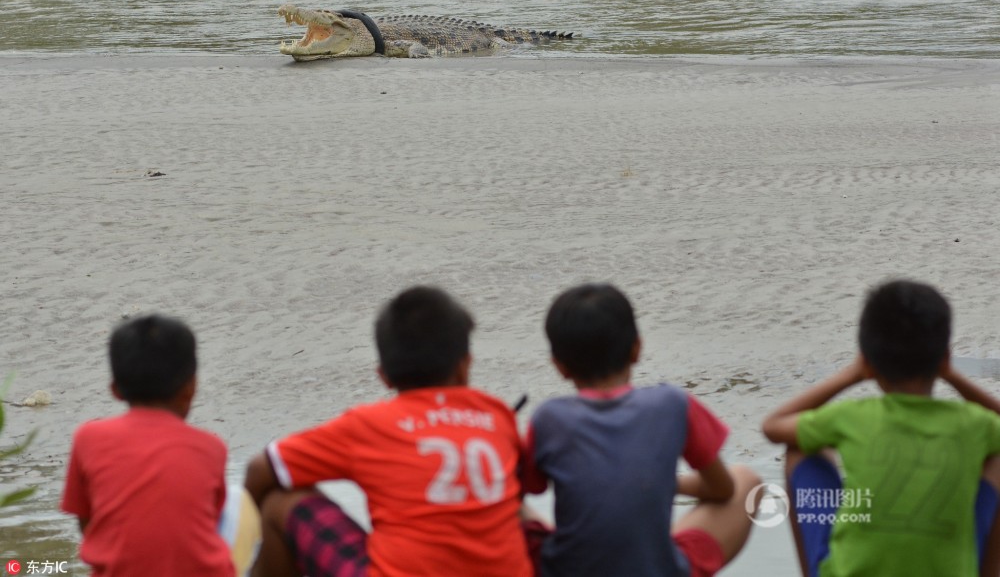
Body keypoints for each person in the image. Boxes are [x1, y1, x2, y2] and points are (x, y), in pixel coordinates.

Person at [244, 286, 533, 577]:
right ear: (465, 365)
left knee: (280, 502)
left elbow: (261, 469)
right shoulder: (495, 413)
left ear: (383, 375)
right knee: (520, 512)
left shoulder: (369, 424)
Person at [762, 279, 1000, 577]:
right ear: (944, 357)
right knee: (996, 459)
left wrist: (851, 375)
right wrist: (952, 376)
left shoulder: (852, 416)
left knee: (800, 448)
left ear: (869, 361)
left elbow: (773, 426)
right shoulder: (973, 424)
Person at [521, 283, 762, 577]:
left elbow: (516, 493)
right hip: (657, 570)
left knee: (509, 506)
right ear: (637, 348)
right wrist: (663, 481)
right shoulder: (673, 404)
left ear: (559, 366)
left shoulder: (549, 418)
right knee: (747, 481)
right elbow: (722, 489)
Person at [61, 314, 239, 576]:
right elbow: (208, 521)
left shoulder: (88, 438)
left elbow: (88, 525)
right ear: (191, 387)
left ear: (115, 390)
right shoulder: (211, 447)